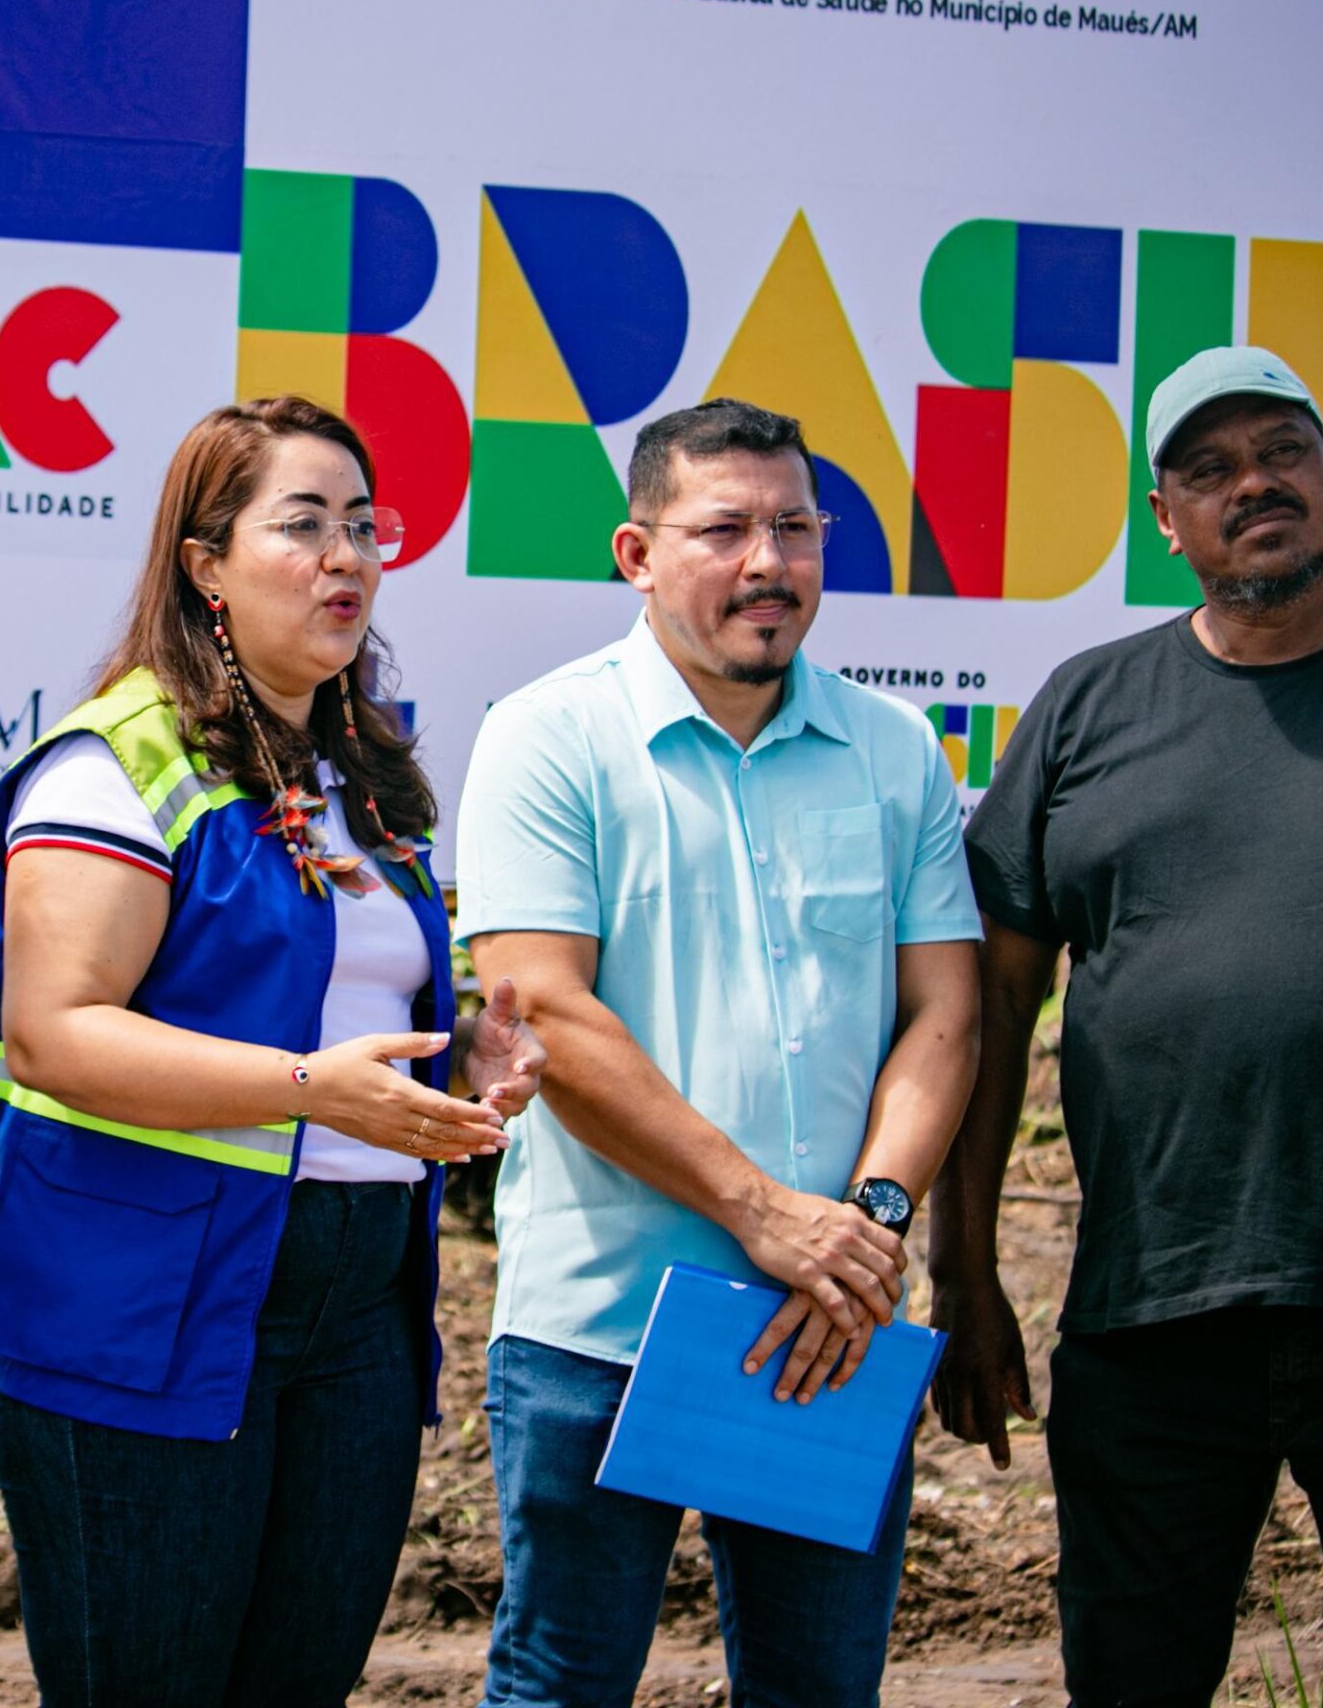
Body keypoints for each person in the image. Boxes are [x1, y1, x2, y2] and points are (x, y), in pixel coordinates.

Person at [930, 344, 1323, 1708]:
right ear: (1166, 519)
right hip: (1153, 1312)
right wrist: (964, 1277)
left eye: (1281, 451)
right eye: (1209, 468)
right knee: (1133, 1682)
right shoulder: (1086, 710)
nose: (1252, 483)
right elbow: (991, 1005)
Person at [0, 393, 545, 1707]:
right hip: (141, 1302)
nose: (347, 557)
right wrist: (310, 1092)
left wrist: (460, 1060)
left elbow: (319, 1017)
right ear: (205, 564)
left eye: (365, 527)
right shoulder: (115, 763)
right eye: (304, 525)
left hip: (356, 1307)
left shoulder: (359, 778)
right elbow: (53, 1034)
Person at [456, 398, 982, 1708]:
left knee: (820, 1691)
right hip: (601, 1327)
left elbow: (945, 1017)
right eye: (726, 529)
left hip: (826, 1327)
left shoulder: (893, 750)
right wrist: (764, 1214)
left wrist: (864, 1228)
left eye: (796, 527)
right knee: (561, 1686)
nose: (769, 562)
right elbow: (548, 1012)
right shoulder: (547, 736)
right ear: (637, 554)